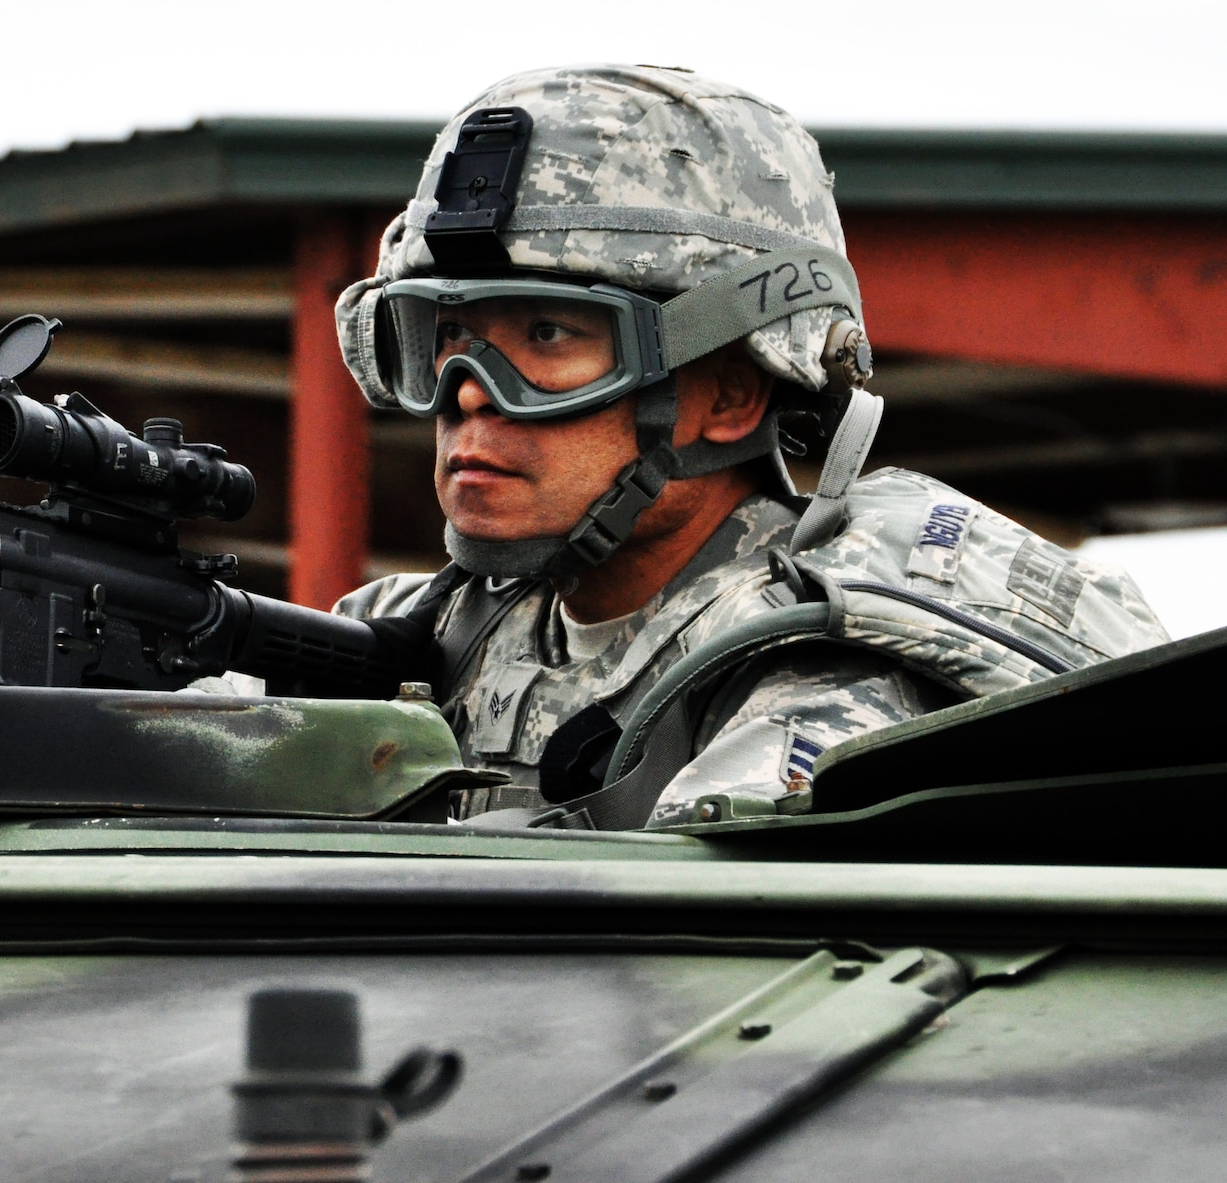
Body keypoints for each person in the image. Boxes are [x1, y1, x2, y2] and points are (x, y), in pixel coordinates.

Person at [331, 65, 1167, 828]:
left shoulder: (825, 672)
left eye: (546, 334)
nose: (470, 390)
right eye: (448, 336)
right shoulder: (420, 632)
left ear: (729, 394)